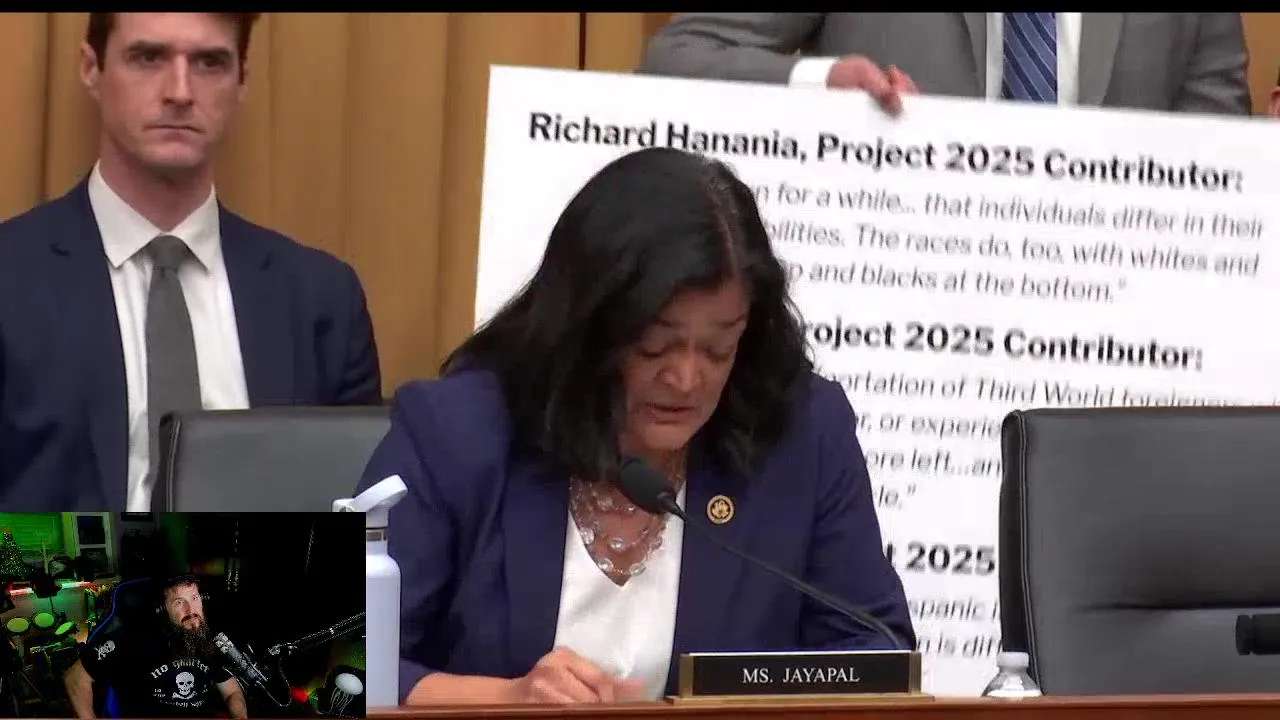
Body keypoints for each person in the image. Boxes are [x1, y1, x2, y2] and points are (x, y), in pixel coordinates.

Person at [355, 147, 914, 705]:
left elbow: (877, 653)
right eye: (655, 345)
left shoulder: (804, 433)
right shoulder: (451, 428)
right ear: (587, 325)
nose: (686, 379)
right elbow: (311, 670)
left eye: (718, 348)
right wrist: (508, 701)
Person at [0, 13, 382, 511]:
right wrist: (117, 557)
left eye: (209, 63)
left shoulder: (321, 301)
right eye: (148, 57)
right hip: (67, 568)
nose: (180, 91)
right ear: (92, 68)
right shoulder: (11, 278)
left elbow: (360, 529)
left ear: (242, 81)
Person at [639, 13, 1250, 116]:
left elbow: (1217, 134)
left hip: (1114, 331)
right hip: (895, 310)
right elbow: (676, 58)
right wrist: (821, 83)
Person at [64, 575, 248, 718]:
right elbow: (75, 678)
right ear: (163, 608)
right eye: (179, 602)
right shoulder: (133, 638)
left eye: (194, 598)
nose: (191, 610)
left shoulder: (207, 640)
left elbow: (232, 692)